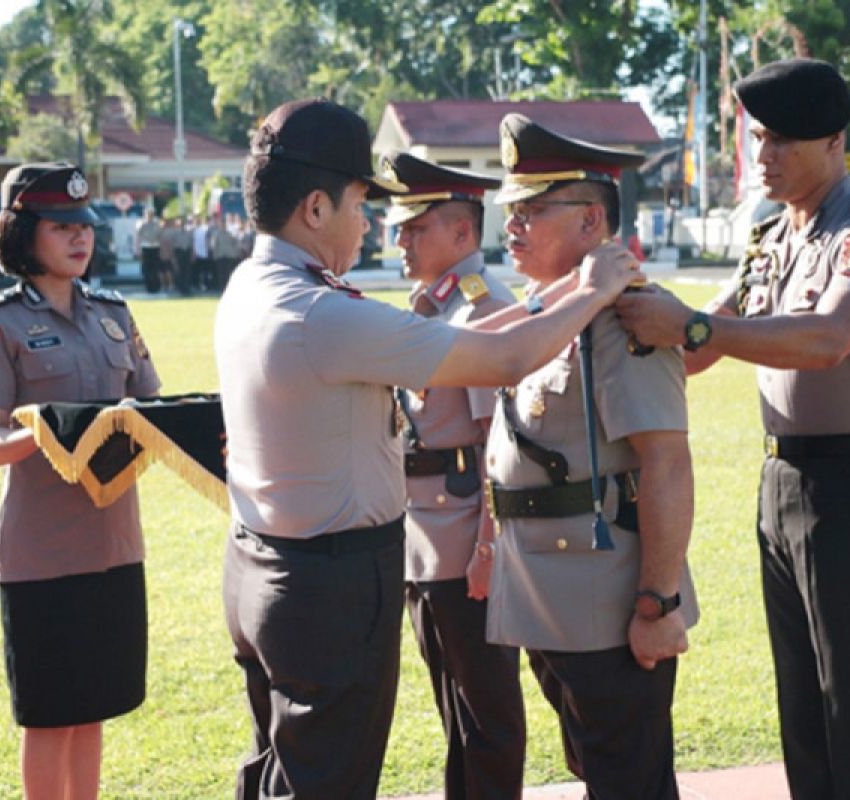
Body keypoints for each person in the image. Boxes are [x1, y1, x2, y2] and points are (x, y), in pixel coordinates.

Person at [214, 98, 639, 800]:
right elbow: (502, 360)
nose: (372, 224)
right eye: (360, 203)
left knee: (280, 771)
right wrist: (590, 291)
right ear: (315, 208)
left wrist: (554, 293)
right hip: (328, 588)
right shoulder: (318, 312)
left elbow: (480, 336)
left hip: (266, 565)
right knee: (327, 781)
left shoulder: (254, 287)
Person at [617, 58, 850, 800]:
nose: (764, 157)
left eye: (784, 141)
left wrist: (693, 324)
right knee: (805, 716)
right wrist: (624, 308)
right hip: (783, 484)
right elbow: (701, 346)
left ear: (835, 144)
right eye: (759, 139)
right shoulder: (771, 235)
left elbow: (828, 338)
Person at [482, 113, 699, 800]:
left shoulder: (625, 318)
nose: (513, 224)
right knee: (596, 766)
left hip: (607, 601)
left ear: (590, 225)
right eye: (511, 209)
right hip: (546, 592)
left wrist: (658, 602)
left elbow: (665, 462)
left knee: (627, 778)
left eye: (534, 209)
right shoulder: (549, 312)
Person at [0, 163, 160, 799]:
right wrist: (52, 433)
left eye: (85, 226)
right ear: (23, 234)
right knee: (50, 717)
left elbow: (150, 409)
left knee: (94, 707)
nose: (81, 238)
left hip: (112, 545)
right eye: (61, 226)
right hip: (40, 555)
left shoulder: (113, 313)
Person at [382, 150, 526, 799]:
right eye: (400, 227)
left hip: (467, 543)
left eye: (417, 228)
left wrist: (490, 548)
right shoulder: (430, 309)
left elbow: (502, 441)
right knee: (455, 714)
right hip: (425, 539)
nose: (400, 239)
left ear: (463, 234)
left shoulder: (484, 310)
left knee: (487, 717)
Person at [134, 208, 163, 293]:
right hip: (146, 247)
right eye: (148, 214)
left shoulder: (157, 224)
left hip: (155, 247)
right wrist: (137, 249)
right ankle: (148, 287)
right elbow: (138, 237)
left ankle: (156, 287)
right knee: (147, 269)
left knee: (155, 269)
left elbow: (160, 235)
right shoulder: (141, 224)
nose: (150, 216)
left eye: (151, 214)